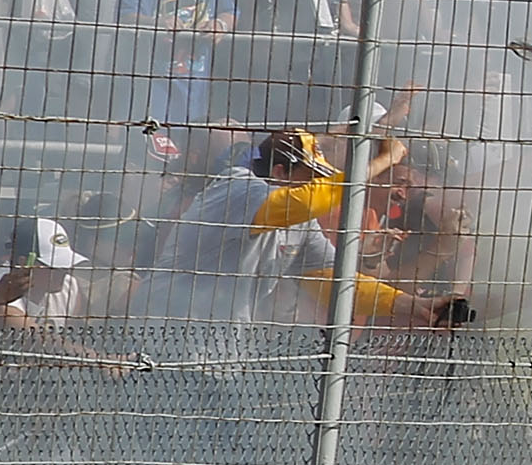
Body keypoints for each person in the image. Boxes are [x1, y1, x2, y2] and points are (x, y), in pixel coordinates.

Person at [134, 127, 465, 328]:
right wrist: (383, 161)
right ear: (279, 172)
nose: (318, 186)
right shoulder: (238, 186)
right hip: (164, 332)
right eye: (311, 177)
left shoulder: (300, 223)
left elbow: (337, 282)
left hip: (219, 351)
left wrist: (411, 305)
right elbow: (305, 202)